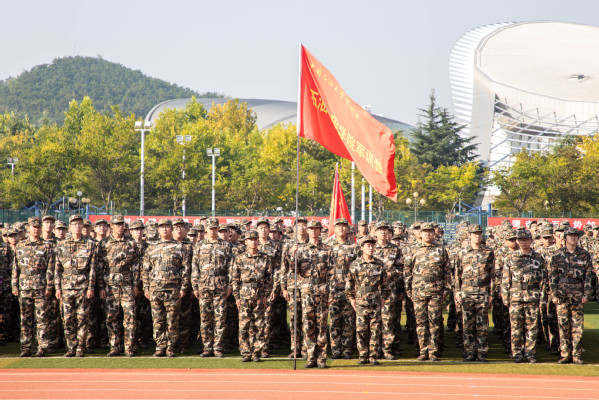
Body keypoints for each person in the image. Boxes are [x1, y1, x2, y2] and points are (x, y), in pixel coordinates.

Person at [142, 218, 191, 357]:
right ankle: (160, 346)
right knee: (158, 320)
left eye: (167, 226)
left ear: (171, 229)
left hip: (173, 289)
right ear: (158, 229)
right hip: (155, 289)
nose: (165, 229)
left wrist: (183, 288)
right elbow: (145, 270)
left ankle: (170, 347)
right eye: (162, 227)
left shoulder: (180, 247)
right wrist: (146, 288)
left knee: (172, 320)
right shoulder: (151, 248)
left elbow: (185, 269)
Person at [404, 221, 450, 361]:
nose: (428, 234)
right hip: (418, 292)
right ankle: (423, 351)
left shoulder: (441, 250)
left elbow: (447, 272)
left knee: (435, 322)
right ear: (421, 233)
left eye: (430, 232)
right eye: (425, 232)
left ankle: (433, 351)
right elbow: (407, 272)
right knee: (420, 323)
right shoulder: (413, 250)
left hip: (436, 292)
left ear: (434, 233)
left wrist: (445, 291)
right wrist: (409, 291)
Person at [289, 220, 332, 369]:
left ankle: (321, 358)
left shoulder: (327, 250)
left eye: (316, 228)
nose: (313, 231)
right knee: (308, 325)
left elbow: (332, 273)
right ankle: (311, 356)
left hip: (323, 289)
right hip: (307, 290)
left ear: (320, 230)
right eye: (311, 228)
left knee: (321, 325)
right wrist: (293, 256)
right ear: (307, 230)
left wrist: (331, 292)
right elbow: (294, 271)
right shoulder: (301, 250)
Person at [97, 214, 141, 357]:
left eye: (121, 224)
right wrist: (101, 287)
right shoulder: (104, 243)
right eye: (117, 224)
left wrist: (136, 285)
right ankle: (115, 347)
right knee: (111, 317)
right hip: (110, 286)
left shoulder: (131, 242)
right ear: (111, 226)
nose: (120, 227)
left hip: (127, 285)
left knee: (130, 317)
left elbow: (136, 266)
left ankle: (129, 347)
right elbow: (100, 267)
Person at [54, 214, 97, 357]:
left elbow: (92, 269)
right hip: (66, 287)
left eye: (79, 224)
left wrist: (91, 287)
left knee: (82, 319)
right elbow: (57, 268)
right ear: (70, 227)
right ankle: (71, 347)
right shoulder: (62, 245)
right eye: (74, 224)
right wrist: (57, 288)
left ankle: (80, 348)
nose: (77, 226)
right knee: (68, 319)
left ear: (83, 226)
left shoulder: (90, 244)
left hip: (83, 287)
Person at [501, 229, 546, 363]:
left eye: (526, 239)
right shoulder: (511, 257)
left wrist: (542, 298)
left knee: (532, 327)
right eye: (521, 240)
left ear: (531, 240)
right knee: (516, 327)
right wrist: (505, 297)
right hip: (516, 297)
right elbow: (506, 279)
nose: (524, 242)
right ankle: (517, 353)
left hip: (533, 296)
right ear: (517, 241)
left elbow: (543, 280)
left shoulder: (538, 258)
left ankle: (530, 353)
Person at [12, 216, 54, 357]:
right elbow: (15, 268)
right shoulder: (21, 246)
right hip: (24, 287)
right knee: (25, 319)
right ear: (28, 229)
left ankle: (42, 347)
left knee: (42, 319)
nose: (36, 229)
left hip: (41, 287)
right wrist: (14, 285)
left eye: (38, 227)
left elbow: (50, 268)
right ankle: (26, 347)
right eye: (33, 227)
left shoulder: (47, 246)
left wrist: (49, 286)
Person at [192, 218, 232, 358]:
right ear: (206, 229)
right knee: (205, 318)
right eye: (210, 228)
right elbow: (195, 267)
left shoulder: (225, 245)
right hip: (204, 285)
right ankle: (207, 347)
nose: (213, 231)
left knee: (220, 318)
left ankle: (218, 347)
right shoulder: (199, 245)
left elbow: (230, 267)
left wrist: (230, 285)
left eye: (215, 228)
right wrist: (195, 285)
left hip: (220, 285)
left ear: (218, 229)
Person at [551, 227, 592, 364]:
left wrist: (586, 294)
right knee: (563, 325)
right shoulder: (557, 255)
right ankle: (565, 354)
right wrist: (554, 294)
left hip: (578, 294)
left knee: (577, 327)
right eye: (570, 236)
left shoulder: (584, 255)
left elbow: (588, 277)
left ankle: (576, 355)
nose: (573, 238)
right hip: (562, 295)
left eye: (575, 235)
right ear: (565, 238)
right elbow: (553, 276)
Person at [230, 230, 273, 362]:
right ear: (246, 242)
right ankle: (245, 352)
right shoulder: (240, 258)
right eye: (250, 239)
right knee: (244, 326)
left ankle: (256, 352)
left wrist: (266, 295)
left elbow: (269, 279)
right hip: (244, 295)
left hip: (259, 296)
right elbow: (235, 279)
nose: (253, 242)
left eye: (255, 239)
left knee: (259, 326)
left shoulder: (265, 258)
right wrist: (237, 297)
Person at [346, 235, 390, 365]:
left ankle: (373, 356)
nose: (371, 248)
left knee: (375, 330)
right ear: (362, 248)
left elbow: (385, 284)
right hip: (360, 302)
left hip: (375, 302)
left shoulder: (379, 264)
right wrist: (351, 299)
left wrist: (383, 298)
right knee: (361, 330)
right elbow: (349, 284)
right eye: (368, 246)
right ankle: (363, 355)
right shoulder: (355, 264)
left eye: (372, 246)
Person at [454, 224, 494, 362]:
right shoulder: (462, 252)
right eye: (474, 234)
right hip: (467, 293)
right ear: (469, 235)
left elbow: (492, 274)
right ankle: (469, 352)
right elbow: (457, 274)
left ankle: (482, 353)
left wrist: (491, 294)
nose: (477, 236)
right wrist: (457, 292)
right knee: (468, 325)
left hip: (483, 292)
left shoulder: (488, 252)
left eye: (479, 233)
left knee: (482, 326)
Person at [372, 221, 403, 360]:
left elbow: (401, 268)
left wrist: (391, 274)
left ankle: (387, 349)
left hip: (390, 291)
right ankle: (374, 350)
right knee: (374, 321)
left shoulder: (395, 249)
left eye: (385, 230)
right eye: (380, 230)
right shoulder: (370, 247)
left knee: (388, 321)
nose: (383, 232)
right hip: (373, 291)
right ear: (375, 232)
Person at [329, 218, 357, 360]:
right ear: (334, 229)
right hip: (333, 290)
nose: (341, 229)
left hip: (348, 290)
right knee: (334, 321)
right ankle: (335, 349)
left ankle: (346, 349)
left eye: (343, 226)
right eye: (338, 226)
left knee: (348, 321)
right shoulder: (327, 246)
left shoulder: (354, 248)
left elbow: (359, 268)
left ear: (348, 229)